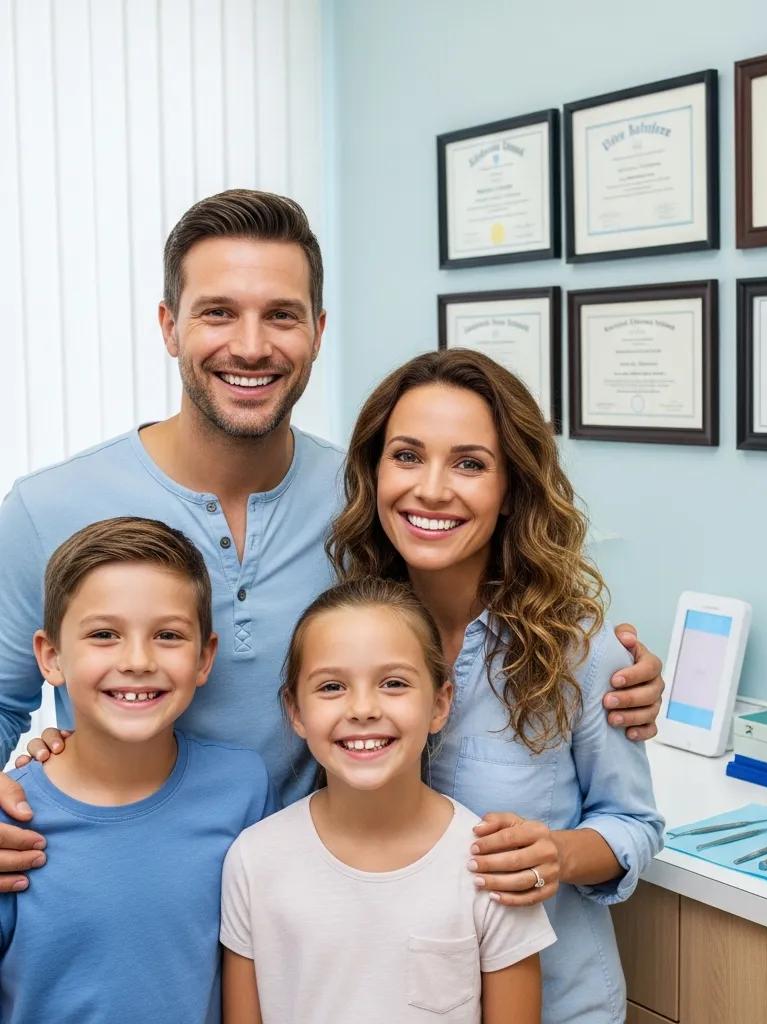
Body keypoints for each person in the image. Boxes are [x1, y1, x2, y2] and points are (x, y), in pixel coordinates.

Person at [0, 188, 665, 892]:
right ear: (169, 326)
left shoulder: (367, 499)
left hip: (323, 918)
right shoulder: (46, 509)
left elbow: (478, 601)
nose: (251, 346)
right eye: (218, 312)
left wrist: (604, 672)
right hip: (126, 904)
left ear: (317, 330)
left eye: (281, 315)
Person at [326, 348, 665, 1022]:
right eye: (407, 456)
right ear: (374, 472)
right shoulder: (345, 634)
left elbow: (635, 825)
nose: (431, 489)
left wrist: (559, 855)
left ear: (510, 489)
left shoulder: (579, 651)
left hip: (558, 1003)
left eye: (469, 463)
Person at [220, 578, 555, 1024]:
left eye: (394, 683)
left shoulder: (491, 864)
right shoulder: (254, 859)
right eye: (331, 687)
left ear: (440, 703)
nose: (362, 709)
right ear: (296, 711)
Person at [0, 517, 275, 1022]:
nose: (137, 660)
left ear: (204, 657)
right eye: (104, 634)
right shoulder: (10, 824)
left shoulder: (243, 789)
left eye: (168, 635)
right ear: (51, 656)